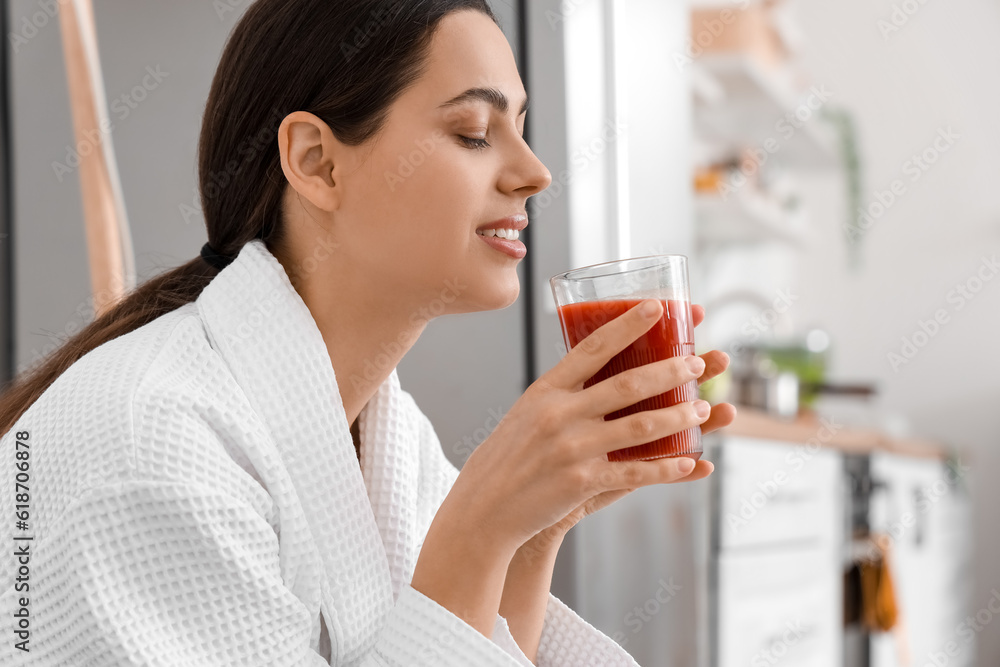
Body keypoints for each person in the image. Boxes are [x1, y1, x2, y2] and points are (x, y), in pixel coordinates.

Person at [0, 1, 736, 664]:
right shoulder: (152, 446)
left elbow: (471, 644)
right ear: (317, 163)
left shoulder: (387, 439)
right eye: (474, 132)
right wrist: (478, 530)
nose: (537, 172)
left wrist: (534, 528)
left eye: (523, 127)